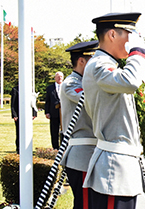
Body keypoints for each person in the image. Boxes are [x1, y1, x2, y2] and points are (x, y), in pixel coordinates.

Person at [81, 12, 145, 209]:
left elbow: (137, 88)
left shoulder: (108, 65)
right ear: (112, 34)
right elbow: (130, 82)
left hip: (121, 164)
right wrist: (138, 52)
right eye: (129, 34)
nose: (132, 40)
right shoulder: (99, 65)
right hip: (114, 167)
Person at [59, 40, 99, 209]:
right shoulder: (71, 83)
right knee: (85, 205)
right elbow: (92, 98)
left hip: (91, 153)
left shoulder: (87, 82)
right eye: (93, 59)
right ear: (82, 61)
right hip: (81, 154)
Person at [11, 86, 37, 154]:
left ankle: (28, 148)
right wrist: (14, 115)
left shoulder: (30, 88)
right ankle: (18, 149)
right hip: (19, 114)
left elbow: (33, 102)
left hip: (28, 114)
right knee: (19, 132)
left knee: (28, 132)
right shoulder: (15, 89)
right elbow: (13, 103)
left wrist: (34, 113)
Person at [45, 71, 64, 150]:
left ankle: (63, 147)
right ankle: (55, 147)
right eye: (58, 76)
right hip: (54, 112)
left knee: (64, 131)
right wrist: (47, 112)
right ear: (55, 78)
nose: (59, 78)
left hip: (64, 113)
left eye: (61, 76)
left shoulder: (66, 86)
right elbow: (47, 101)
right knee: (54, 131)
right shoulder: (50, 88)